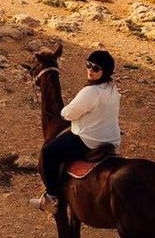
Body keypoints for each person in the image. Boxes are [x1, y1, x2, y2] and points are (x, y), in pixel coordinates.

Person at [30, 49, 121, 215]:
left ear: (104, 72)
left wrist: (68, 109)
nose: (90, 71)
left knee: (48, 152)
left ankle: (52, 197)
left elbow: (67, 114)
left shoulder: (90, 92)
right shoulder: (112, 88)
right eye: (89, 65)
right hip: (111, 139)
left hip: (89, 139)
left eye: (96, 69)